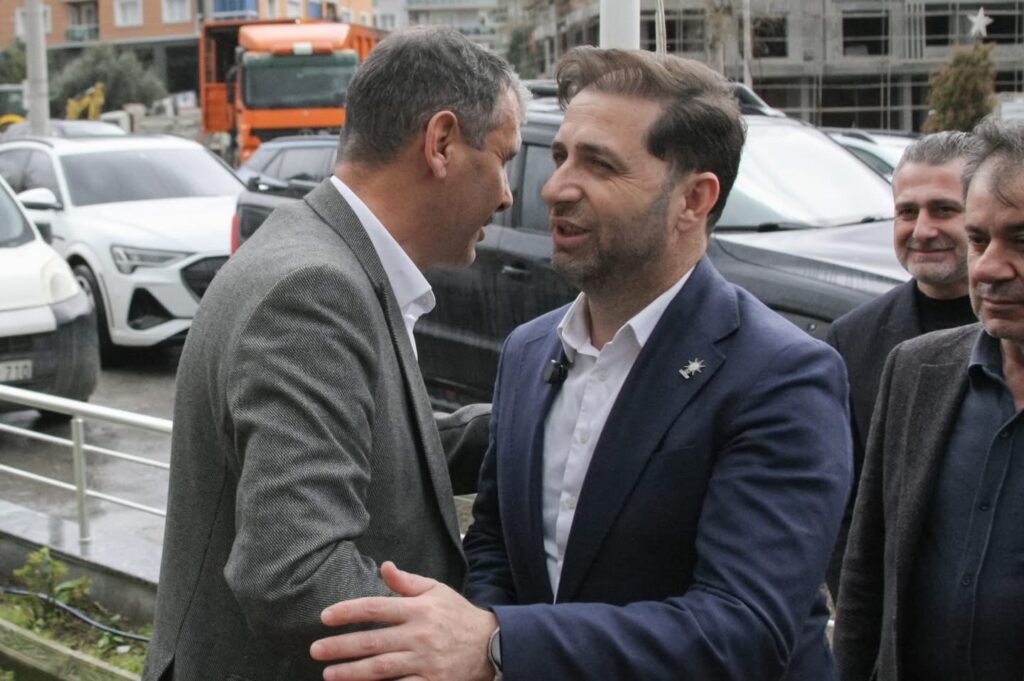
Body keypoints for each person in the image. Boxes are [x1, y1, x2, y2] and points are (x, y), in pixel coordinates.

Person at [308, 46, 852, 681]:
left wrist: (497, 643)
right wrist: (479, 639)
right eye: (562, 155)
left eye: (600, 164)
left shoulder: (781, 376)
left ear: (694, 199)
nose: (554, 187)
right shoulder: (528, 350)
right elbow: (496, 542)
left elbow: (742, 630)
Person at [142, 27, 525, 681]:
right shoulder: (316, 289)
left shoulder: (321, 252)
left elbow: (370, 445)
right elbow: (293, 570)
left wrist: (536, 419)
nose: (508, 194)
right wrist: (459, 648)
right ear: (440, 143)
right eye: (503, 158)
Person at [834, 117, 1024, 681]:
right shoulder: (916, 369)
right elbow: (865, 572)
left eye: (1022, 240)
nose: (989, 267)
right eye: (979, 239)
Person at [824, 131, 980, 597]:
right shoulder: (854, 338)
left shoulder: (1010, 328)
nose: (922, 230)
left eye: (944, 210)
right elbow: (842, 501)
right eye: (907, 212)